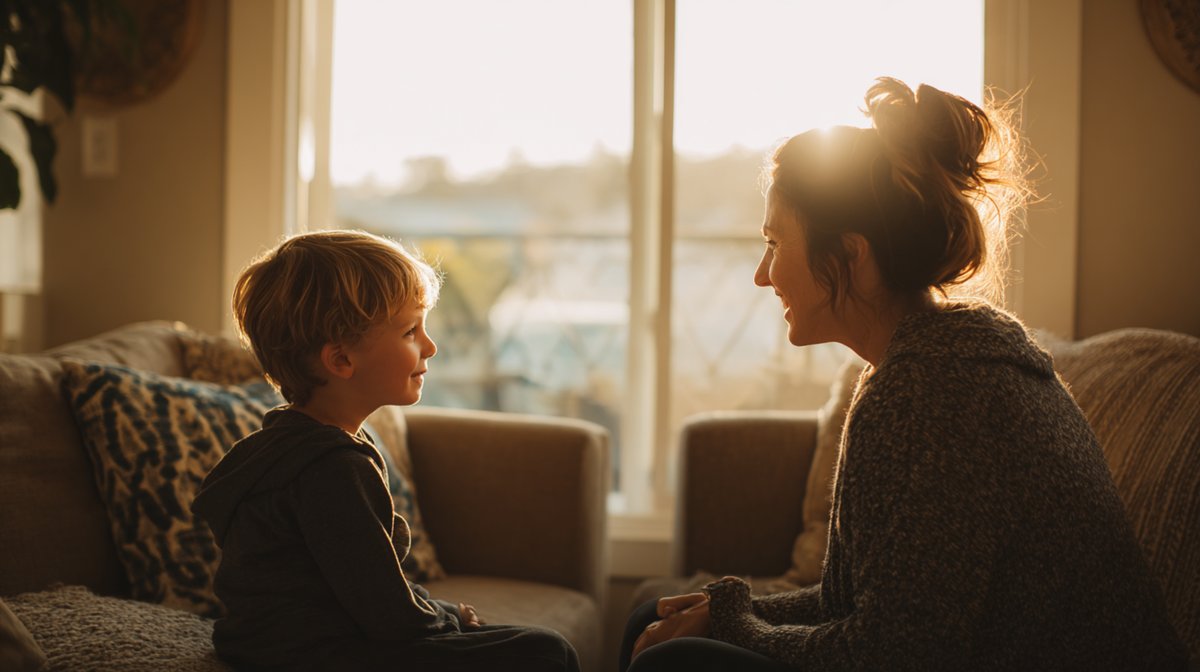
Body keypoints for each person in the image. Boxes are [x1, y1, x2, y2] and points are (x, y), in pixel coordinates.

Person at [619, 77, 1188, 671]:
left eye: (775, 243)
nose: (763, 276)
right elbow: (872, 603)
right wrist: (731, 611)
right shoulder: (940, 361)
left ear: (852, 256)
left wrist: (736, 624)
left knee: (672, 661)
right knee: (653, 619)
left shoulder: (929, 397)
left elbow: (895, 652)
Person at [191, 230, 579, 672]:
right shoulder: (329, 469)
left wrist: (445, 612)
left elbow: (362, 584)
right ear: (341, 361)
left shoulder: (285, 444)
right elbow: (387, 615)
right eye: (411, 331)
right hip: (311, 654)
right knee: (546, 652)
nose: (429, 347)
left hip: (278, 641)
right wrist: (448, 621)